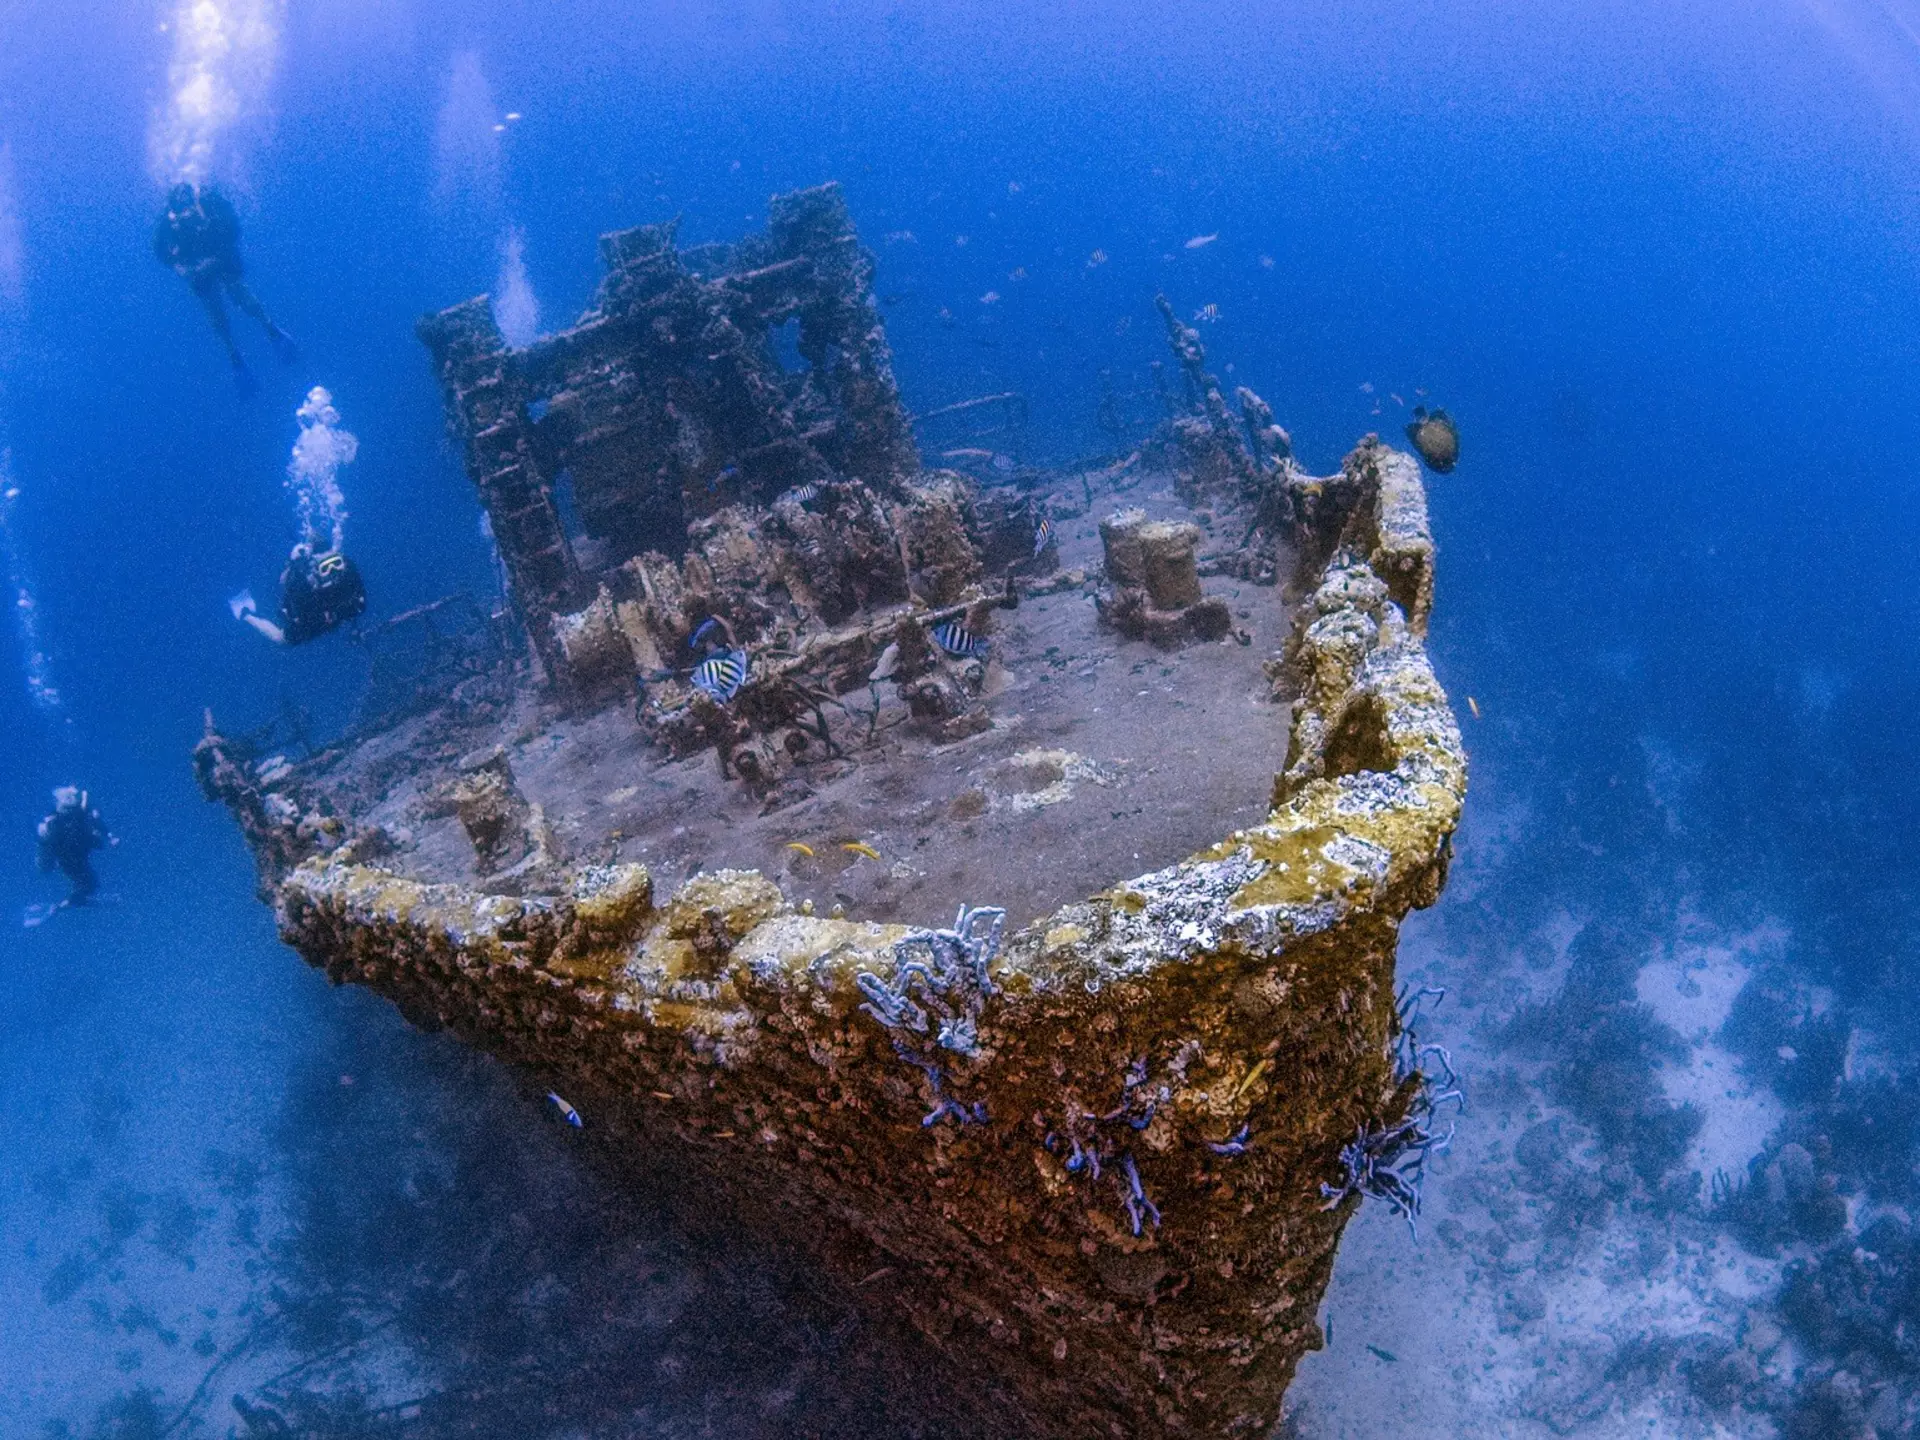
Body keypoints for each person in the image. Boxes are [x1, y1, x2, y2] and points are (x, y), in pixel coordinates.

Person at [153, 182, 298, 388]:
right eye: (180, 210)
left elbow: (233, 229)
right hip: (197, 270)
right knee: (215, 313)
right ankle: (234, 353)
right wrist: (179, 266)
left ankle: (270, 328)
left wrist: (215, 258)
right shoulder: (168, 220)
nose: (185, 213)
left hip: (222, 260)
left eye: (188, 207)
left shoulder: (210, 203)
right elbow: (159, 249)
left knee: (241, 295)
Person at [231, 542, 367, 646]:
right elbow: (300, 618)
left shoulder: (349, 573)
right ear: (316, 571)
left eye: (337, 564)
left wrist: (339, 613)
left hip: (331, 616)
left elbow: (360, 603)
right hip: (311, 622)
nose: (333, 571)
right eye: (325, 568)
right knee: (280, 639)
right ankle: (246, 614)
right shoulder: (303, 588)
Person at [35, 786, 113, 910]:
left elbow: (96, 826)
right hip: (69, 855)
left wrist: (108, 837)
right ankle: (67, 903)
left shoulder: (76, 816)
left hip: (73, 854)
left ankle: (75, 899)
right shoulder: (63, 820)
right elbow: (50, 843)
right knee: (88, 882)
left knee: (87, 882)